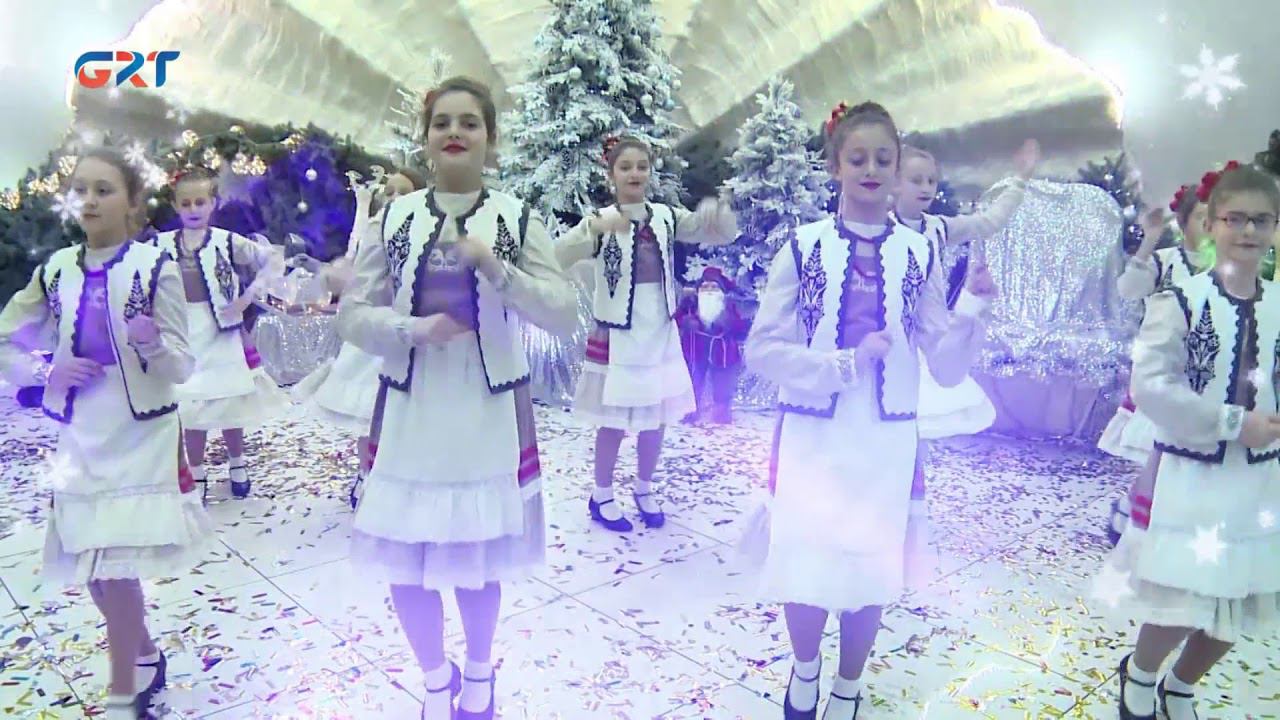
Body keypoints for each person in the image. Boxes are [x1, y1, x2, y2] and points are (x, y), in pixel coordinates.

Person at [743, 101, 996, 719]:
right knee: (805, 554)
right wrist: (842, 365)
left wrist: (971, 310)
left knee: (869, 562)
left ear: (899, 166)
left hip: (885, 439)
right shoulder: (802, 248)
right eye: (858, 158)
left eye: (884, 158)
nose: (872, 169)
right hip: (813, 431)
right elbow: (761, 350)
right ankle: (805, 670)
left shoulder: (918, 253)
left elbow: (945, 366)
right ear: (836, 166)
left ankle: (849, 686)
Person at [337, 76, 577, 720]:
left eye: (469, 122)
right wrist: (410, 329)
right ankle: (433, 676)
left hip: (485, 410)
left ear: (490, 139)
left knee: (476, 558)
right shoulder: (394, 218)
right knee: (405, 560)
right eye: (442, 122)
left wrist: (498, 269)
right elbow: (352, 315)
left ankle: (479, 671)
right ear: (425, 138)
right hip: (411, 405)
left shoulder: (517, 217)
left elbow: (562, 312)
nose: (454, 132)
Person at [0, 148, 212, 719]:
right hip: (82, 433)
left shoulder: (156, 267)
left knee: (116, 567)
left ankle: (122, 695)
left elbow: (182, 366)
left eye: (104, 189)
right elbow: (6, 339)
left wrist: (151, 344)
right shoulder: (55, 270)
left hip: (140, 432)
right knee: (93, 568)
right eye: (81, 190)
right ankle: (144, 656)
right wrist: (47, 371)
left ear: (133, 202)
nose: (90, 200)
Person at [1096, 164, 1280, 720]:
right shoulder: (1181, 299)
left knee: (1239, 600)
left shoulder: (1278, 303)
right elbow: (1150, 385)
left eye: (1262, 220)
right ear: (1211, 223)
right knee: (1184, 597)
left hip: (1260, 478)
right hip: (1194, 472)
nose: (1248, 231)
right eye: (1235, 219)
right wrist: (1231, 422)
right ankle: (1141, 673)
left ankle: (1180, 684)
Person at [556, 134, 738, 532]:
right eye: (625, 167)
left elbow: (715, 232)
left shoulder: (666, 217)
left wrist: (715, 212)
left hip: (658, 327)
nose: (634, 173)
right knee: (613, 419)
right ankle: (602, 493)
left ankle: (644, 486)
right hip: (618, 332)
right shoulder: (602, 220)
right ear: (611, 175)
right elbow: (558, 255)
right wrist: (593, 228)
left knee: (657, 416)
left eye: (642, 166)